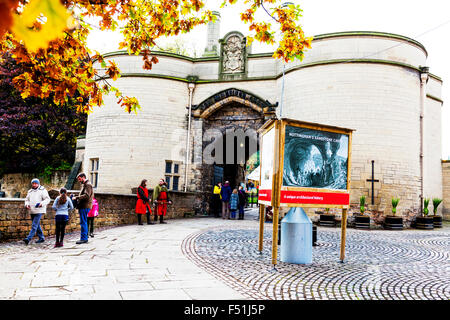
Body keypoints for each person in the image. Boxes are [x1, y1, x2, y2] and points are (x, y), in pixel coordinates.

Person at [23, 178, 50, 245]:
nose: (34, 185)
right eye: (33, 183)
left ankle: (28, 238)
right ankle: (41, 238)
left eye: (36, 183)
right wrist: (27, 204)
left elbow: (47, 199)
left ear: (38, 184)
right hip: (32, 210)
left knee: (34, 225)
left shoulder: (43, 190)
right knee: (37, 225)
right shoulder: (30, 191)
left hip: (39, 210)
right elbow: (26, 200)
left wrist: (41, 203)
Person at [72, 173, 94, 244]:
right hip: (83, 206)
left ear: (83, 177)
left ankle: (84, 238)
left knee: (83, 222)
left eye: (79, 179)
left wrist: (77, 197)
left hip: (85, 206)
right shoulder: (85, 184)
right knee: (84, 222)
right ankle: (84, 237)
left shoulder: (88, 185)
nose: (79, 180)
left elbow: (87, 196)